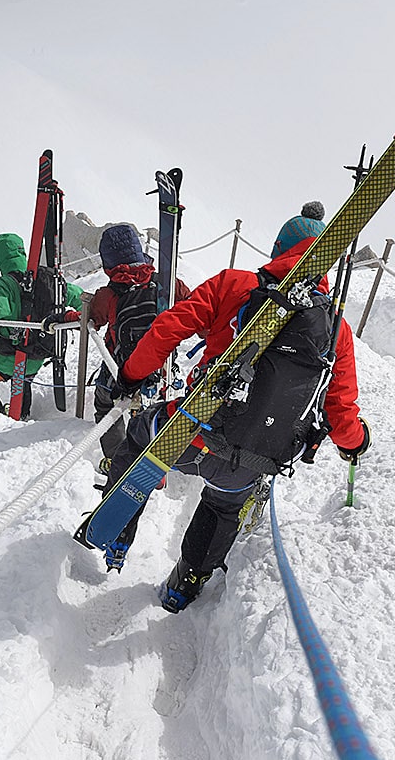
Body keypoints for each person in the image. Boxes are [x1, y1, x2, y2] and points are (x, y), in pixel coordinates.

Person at [95, 212, 370, 610]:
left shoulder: (236, 285)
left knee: (139, 435)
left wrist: (132, 375)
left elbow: (167, 328)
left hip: (192, 429)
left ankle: (118, 524)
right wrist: (356, 442)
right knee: (223, 507)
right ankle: (185, 583)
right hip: (255, 456)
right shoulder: (335, 328)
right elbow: (341, 409)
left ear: (278, 249)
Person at [86, 223, 191, 491]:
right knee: (155, 412)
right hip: (161, 366)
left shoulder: (107, 295)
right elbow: (192, 309)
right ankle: (157, 465)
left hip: (120, 370)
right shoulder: (168, 285)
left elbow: (91, 319)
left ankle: (117, 458)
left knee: (105, 404)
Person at [0, 233, 83, 417]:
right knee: (22, 380)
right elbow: (77, 295)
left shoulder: (6, 283)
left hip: (8, 355)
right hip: (38, 353)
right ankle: (22, 415)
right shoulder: (46, 278)